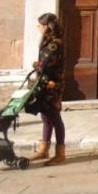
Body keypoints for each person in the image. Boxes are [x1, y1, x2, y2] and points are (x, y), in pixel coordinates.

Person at [29, 12, 66, 166]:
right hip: (44, 85)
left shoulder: (54, 44)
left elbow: (45, 65)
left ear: (47, 27)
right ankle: (44, 149)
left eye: (40, 25)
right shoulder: (46, 42)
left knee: (55, 118)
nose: (38, 28)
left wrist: (35, 66)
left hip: (52, 86)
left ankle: (60, 153)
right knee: (45, 117)